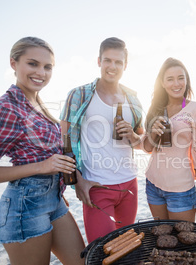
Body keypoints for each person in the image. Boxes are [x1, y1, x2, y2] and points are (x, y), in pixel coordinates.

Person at [0, 37, 85, 265]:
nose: (41, 72)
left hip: (54, 200)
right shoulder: (6, 108)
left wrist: (59, 186)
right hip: (24, 209)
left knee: (83, 264)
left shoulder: (36, 103)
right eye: (33, 63)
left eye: (48, 67)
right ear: (13, 63)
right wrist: (43, 167)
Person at [60, 37, 144, 243]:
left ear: (126, 65)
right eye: (108, 60)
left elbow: (142, 141)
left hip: (129, 186)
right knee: (100, 252)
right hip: (96, 186)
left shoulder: (133, 99)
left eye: (118, 62)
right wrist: (77, 180)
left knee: (124, 251)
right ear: (99, 61)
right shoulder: (79, 95)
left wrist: (133, 136)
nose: (112, 66)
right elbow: (62, 141)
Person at [142, 57, 196, 222]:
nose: (176, 83)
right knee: (162, 235)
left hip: (181, 189)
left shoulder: (195, 110)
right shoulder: (156, 109)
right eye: (170, 79)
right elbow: (148, 147)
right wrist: (153, 132)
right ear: (163, 83)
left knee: (181, 240)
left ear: (187, 80)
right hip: (153, 184)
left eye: (180, 78)